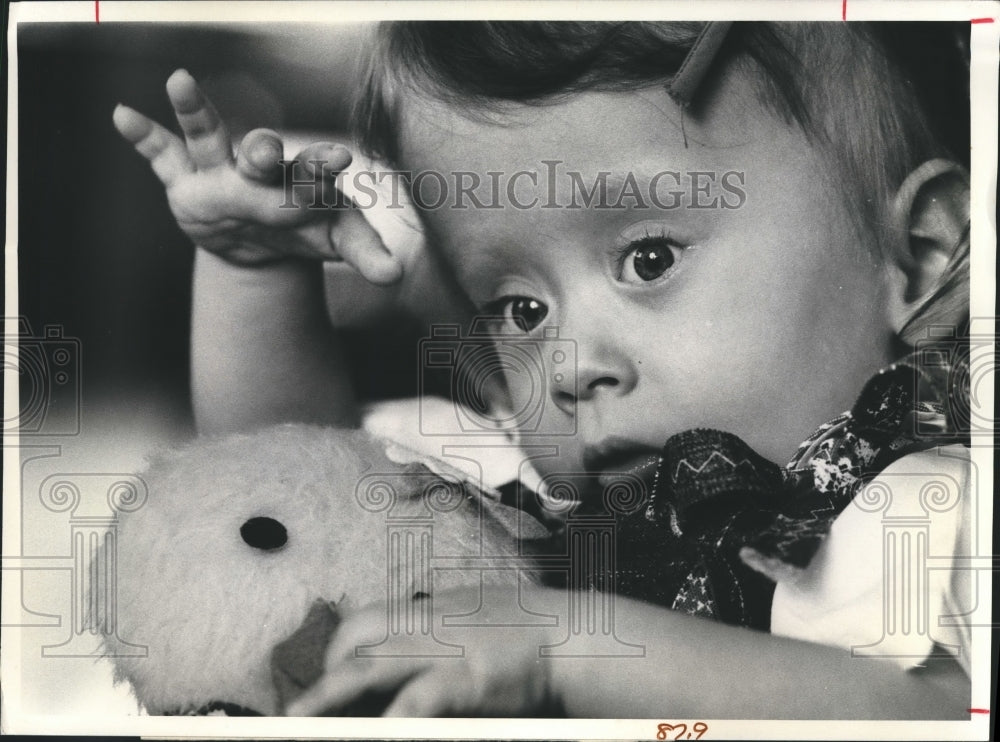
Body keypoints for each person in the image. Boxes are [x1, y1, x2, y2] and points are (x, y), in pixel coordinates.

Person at [112, 21, 974, 719]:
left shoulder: (922, 511)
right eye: (523, 310)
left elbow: (933, 715)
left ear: (919, 253)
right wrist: (257, 274)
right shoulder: (551, 513)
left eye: (649, 259)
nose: (568, 371)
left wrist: (562, 650)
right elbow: (291, 498)